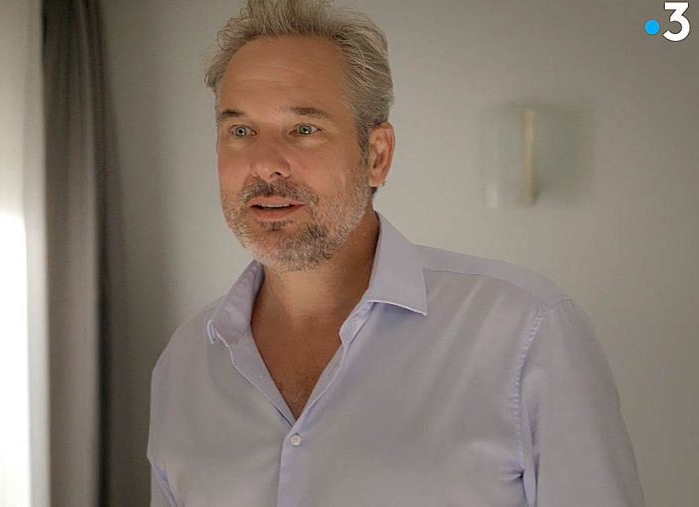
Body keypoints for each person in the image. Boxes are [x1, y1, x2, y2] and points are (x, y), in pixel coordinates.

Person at [147, 1, 644, 505]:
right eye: (240, 131)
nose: (265, 164)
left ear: (377, 155)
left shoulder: (524, 331)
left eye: (304, 129)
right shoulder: (186, 362)